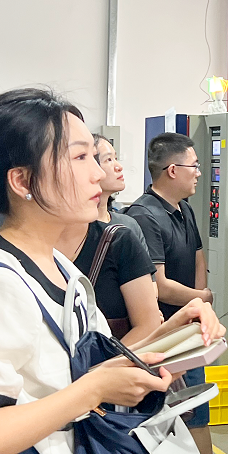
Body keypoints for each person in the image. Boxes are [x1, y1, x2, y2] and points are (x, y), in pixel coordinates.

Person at [0, 88, 224, 454]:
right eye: (79, 158)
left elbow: (90, 368)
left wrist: (174, 331)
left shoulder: (62, 269)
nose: (98, 174)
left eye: (95, 157)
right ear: (22, 181)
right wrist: (92, 391)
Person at [125, 132, 217, 454]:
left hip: (191, 331)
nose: (199, 173)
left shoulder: (185, 209)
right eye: (194, 166)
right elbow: (160, 285)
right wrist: (200, 299)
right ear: (173, 170)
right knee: (167, 422)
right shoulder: (144, 215)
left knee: (198, 414)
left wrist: (199, 297)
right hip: (164, 340)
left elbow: (197, 256)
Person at [54, 136, 162, 345]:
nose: (99, 173)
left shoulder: (123, 234)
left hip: (114, 358)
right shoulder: (25, 250)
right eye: (81, 158)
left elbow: (148, 321)